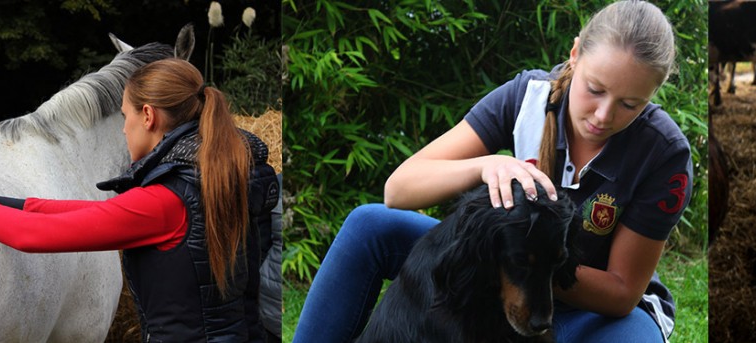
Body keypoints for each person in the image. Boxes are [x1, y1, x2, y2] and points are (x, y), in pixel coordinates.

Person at [291, 1, 692, 342]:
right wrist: (486, 164)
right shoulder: (527, 96)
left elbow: (622, 292)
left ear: (652, 97)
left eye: (630, 104)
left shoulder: (664, 154)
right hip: (506, 272)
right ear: (575, 55)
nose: (603, 116)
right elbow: (399, 189)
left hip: (595, 307)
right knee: (369, 224)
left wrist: (524, 269)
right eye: (595, 89)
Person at [0, 58, 279, 342]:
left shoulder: (167, 200)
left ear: (149, 116)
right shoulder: (219, 175)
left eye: (126, 116)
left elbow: (31, 236)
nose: (124, 128)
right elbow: (102, 213)